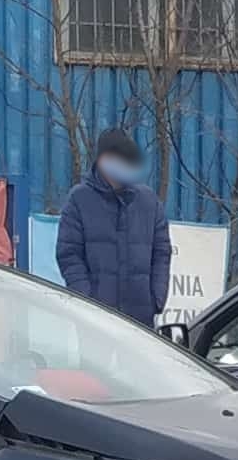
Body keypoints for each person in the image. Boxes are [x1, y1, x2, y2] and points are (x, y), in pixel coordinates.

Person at [53, 125, 171, 329]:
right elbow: (69, 255)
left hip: (140, 320)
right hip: (95, 322)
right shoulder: (79, 200)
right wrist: (85, 300)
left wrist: (156, 298)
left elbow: (162, 252)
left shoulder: (149, 202)